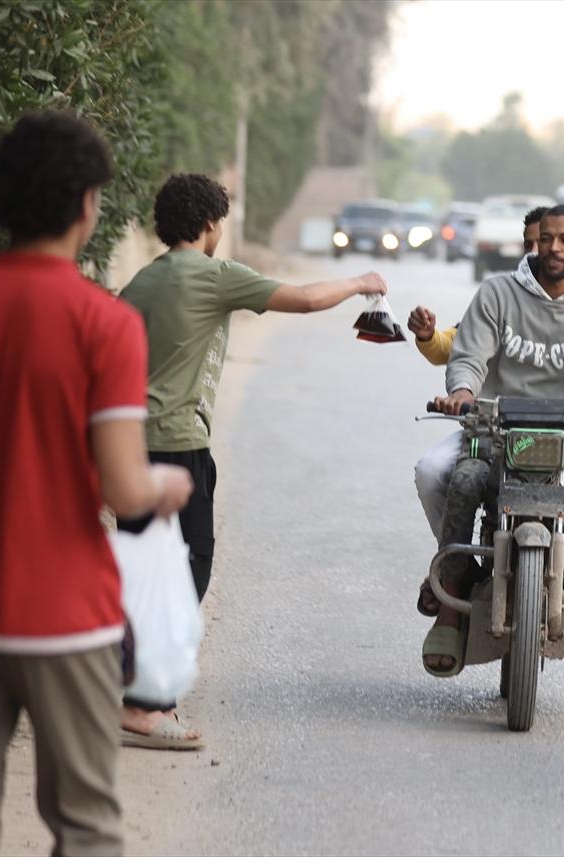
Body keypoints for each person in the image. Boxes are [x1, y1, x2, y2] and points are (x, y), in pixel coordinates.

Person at [0, 110, 194, 857]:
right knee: (84, 826)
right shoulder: (101, 323)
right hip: (63, 616)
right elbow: (123, 486)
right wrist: (166, 486)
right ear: (86, 205)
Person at [117, 173, 387, 750]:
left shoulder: (142, 281)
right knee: (187, 572)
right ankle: (144, 706)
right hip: (179, 445)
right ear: (212, 225)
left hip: (130, 445)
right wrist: (361, 281)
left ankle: (129, 688)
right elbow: (307, 298)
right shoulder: (214, 275)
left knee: (144, 573)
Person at [425, 205, 564, 674]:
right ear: (535, 242)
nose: (554, 248)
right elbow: (469, 353)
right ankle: (450, 595)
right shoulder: (498, 292)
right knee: (454, 478)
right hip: (495, 432)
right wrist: (461, 392)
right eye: (548, 239)